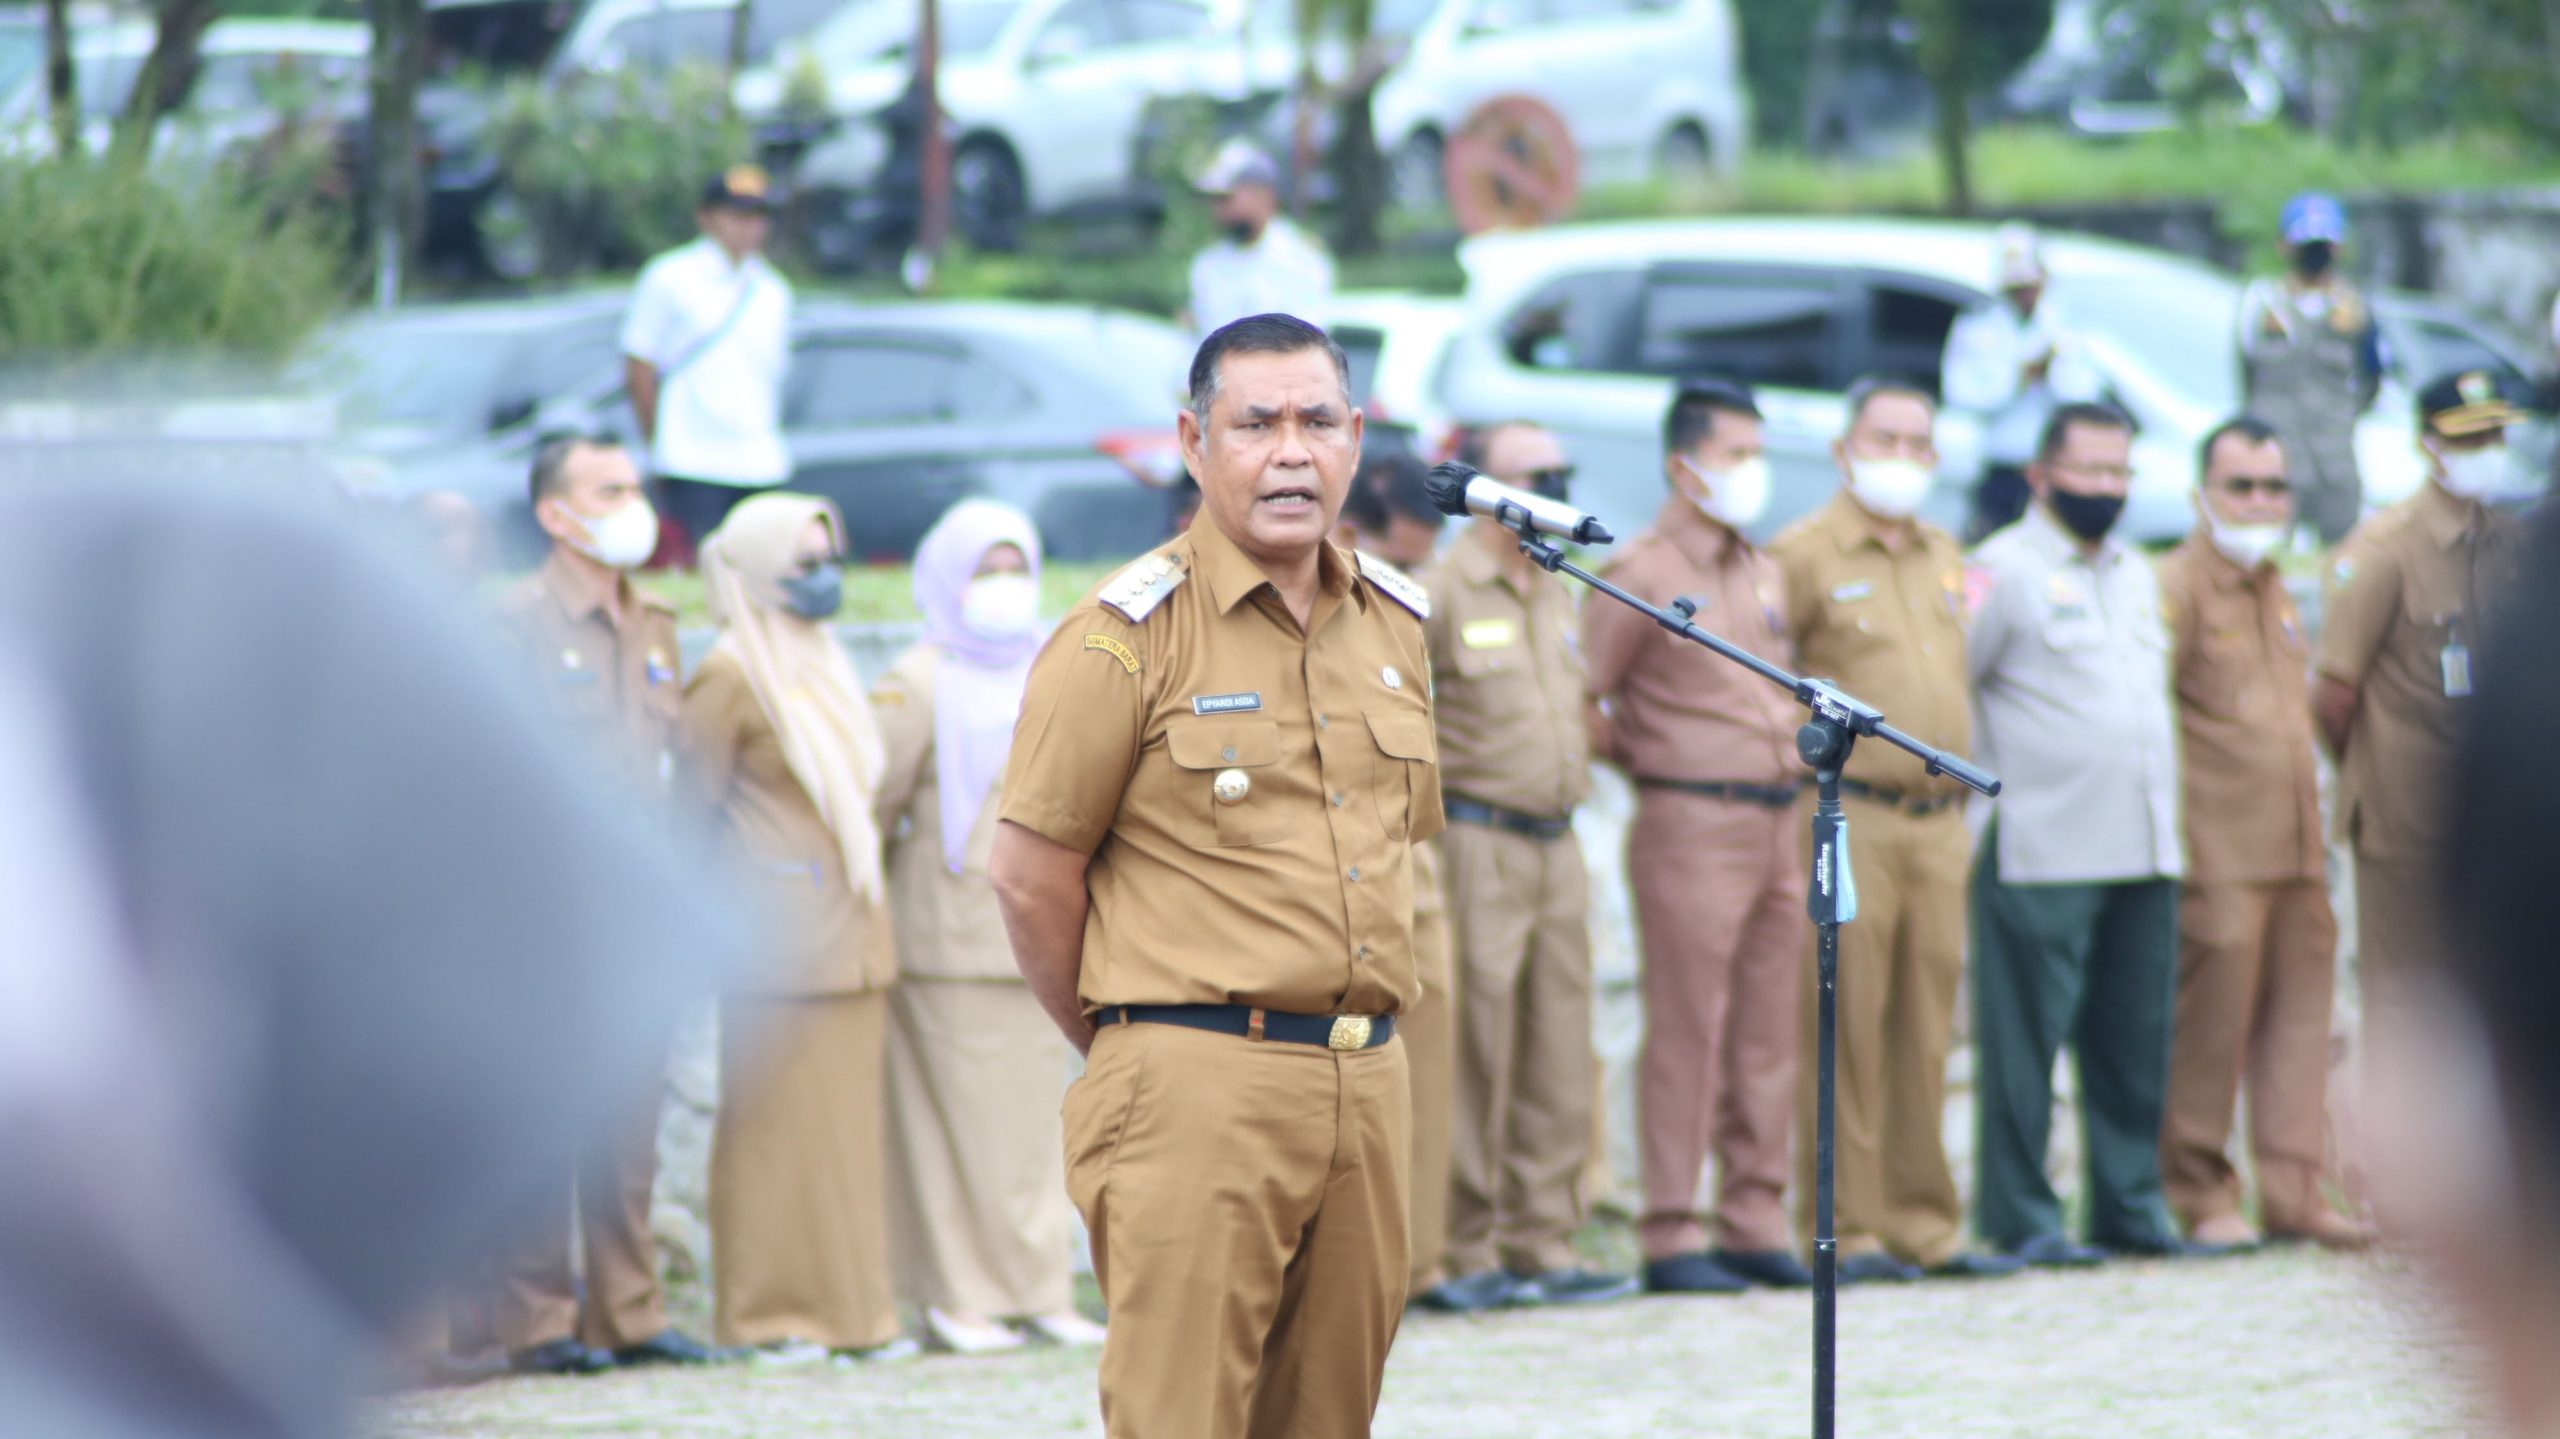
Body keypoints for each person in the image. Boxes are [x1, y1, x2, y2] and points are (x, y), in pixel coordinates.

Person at [0, 478, 737, 1439]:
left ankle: (615, 1309)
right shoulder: (392, 629)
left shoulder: (610, 627)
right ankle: (471, 1332)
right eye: (443, 532)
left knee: (591, 1136)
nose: (459, 549)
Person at [990, 313, 1440, 1439]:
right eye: (1257, 424)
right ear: (1194, 442)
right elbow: (1032, 873)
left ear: (1357, 437)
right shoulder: (1122, 636)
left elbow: (1401, 846)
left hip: (1364, 1080)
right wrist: (1136, 1043)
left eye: (1318, 422)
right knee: (1180, 1418)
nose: (1291, 451)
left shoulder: (1391, 622)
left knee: (1330, 1417)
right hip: (1196, 1079)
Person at [1766, 379, 2023, 1284]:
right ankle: (1850, 1225)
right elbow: (1767, 677)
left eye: (1920, 441)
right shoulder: (1802, 552)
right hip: (1855, 817)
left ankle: (1928, 1223)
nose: (1903, 457)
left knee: (1927, 1025)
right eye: (1886, 437)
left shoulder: (1947, 552)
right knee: (1849, 1019)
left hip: (1941, 821)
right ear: (1845, 448)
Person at [484, 436, 719, 1373]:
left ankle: (629, 1308)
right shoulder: (515, 626)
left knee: (628, 1122)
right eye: (609, 489)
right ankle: (538, 1318)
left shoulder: (653, 621)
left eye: (635, 486)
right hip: (543, 910)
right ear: (555, 513)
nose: (633, 503)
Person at [1583, 378, 1812, 1296]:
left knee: (1768, 1026)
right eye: (1735, 455)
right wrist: (1653, 759)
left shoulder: (1762, 566)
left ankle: (1754, 1216)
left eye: (1757, 453)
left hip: (1775, 816)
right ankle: (1672, 1226)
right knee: (1690, 1027)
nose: (1752, 471)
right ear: (1684, 464)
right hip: (1689, 816)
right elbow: (1587, 695)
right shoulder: (1640, 569)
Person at [682, 493, 914, 1365]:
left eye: (829, 558)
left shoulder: (819, 659)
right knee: (772, 1137)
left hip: (852, 930)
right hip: (776, 945)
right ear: (756, 571)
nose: (824, 579)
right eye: (803, 563)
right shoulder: (732, 673)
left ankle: (855, 1315)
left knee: (845, 1141)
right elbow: (689, 814)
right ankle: (767, 1314)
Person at [871, 500, 1107, 1356]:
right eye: (984, 569)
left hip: (1040, 938)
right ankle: (958, 1298)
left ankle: (1038, 1290)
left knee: (1033, 1135)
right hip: (948, 942)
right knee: (950, 1133)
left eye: (1015, 567)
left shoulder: (1053, 663)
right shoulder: (917, 678)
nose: (1003, 587)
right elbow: (874, 800)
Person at [1966, 401, 2189, 1267]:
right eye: (2089, 471)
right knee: (2026, 1046)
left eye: (2119, 473)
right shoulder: (1999, 568)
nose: (2105, 488)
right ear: (2041, 476)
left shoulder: (2139, 571)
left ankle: (2130, 1206)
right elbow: (1953, 685)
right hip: (2041, 842)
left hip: (2143, 840)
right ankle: (2024, 1215)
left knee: (2135, 1039)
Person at [1414, 422, 1631, 1312]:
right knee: (1478, 1045)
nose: (1554, 484)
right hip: (1479, 838)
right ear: (1485, 488)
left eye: (1562, 471)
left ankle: (1543, 1237)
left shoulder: (1557, 583)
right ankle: (1465, 1248)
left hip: (1558, 839)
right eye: (1536, 474)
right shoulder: (1441, 589)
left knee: (1558, 1043)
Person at [2155, 417, 2374, 1252]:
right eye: (2241, 485)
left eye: (2274, 486)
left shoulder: (2278, 586)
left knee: (2301, 1026)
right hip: (2218, 850)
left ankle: (2295, 1190)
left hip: (2297, 846)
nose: (2259, 502)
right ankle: (2202, 1192)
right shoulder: (2175, 585)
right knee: (2211, 1030)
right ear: (2200, 494)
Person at [2314, 371, 2532, 1012]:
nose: (2486, 449)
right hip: (2406, 824)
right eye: (2468, 438)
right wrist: (2381, 766)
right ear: (2426, 445)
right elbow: (2333, 696)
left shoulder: (2510, 542)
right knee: (2409, 1004)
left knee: (2490, 1003)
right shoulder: (2384, 551)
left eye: (2493, 434)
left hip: (2494, 817)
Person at [1331, 452, 1461, 1306]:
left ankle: (1422, 1262)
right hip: (1333, 881)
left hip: (1413, 864)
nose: (1418, 579)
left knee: (1431, 1065)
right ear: (1351, 534)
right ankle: (1366, 1271)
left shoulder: (1401, 616)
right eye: (1403, 558)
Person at [623, 165, 795, 565]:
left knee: (764, 569)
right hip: (693, 459)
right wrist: (659, 442)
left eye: (757, 216)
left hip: (760, 458)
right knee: (701, 567)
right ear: (707, 217)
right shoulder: (670, 278)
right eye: (736, 215)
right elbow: (639, 366)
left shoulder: (773, 290)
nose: (748, 228)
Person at [1942, 223, 2104, 541]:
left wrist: (2052, 370)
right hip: (2001, 468)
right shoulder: (1976, 328)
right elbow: (1960, 394)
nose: (2026, 294)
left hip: (2053, 467)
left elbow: (2084, 395)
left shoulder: (2066, 326)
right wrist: (2017, 379)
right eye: (2018, 287)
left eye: (2031, 285)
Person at [2238, 192, 2382, 546]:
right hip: (2275, 461)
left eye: (2323, 243)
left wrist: (2343, 415)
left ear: (2339, 247)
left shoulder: (2358, 308)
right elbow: (2244, 372)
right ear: (2284, 246)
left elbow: (2374, 376)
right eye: (2306, 243)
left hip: (2335, 461)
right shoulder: (2260, 303)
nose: (2315, 253)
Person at [1185, 140, 1336, 340]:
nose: (1218, 209)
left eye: (1226, 198)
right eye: (1214, 200)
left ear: (1263, 195)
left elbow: (1307, 343)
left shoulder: (1302, 260)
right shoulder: (1208, 264)